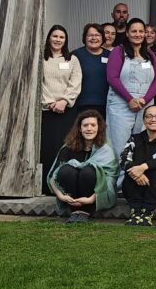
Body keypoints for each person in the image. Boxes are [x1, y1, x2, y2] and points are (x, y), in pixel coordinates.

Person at [106, 18, 156, 185]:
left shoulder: (150, 55)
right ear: (128, 33)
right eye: (134, 31)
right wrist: (130, 99)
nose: (138, 34)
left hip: (144, 106)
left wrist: (144, 100)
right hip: (122, 105)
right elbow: (112, 77)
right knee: (120, 146)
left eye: (141, 31)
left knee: (140, 145)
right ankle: (118, 186)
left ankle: (133, 184)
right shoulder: (118, 51)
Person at [46, 110, 117, 223]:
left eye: (93, 125)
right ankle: (75, 211)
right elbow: (53, 175)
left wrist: (91, 199)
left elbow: (110, 178)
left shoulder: (105, 148)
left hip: (94, 198)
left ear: (99, 128)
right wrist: (61, 196)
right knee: (65, 171)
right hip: (70, 197)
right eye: (85, 125)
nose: (89, 129)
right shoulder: (69, 146)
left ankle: (85, 211)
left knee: (88, 171)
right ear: (80, 128)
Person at [120, 105, 156, 226]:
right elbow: (124, 159)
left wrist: (142, 168)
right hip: (138, 188)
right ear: (144, 120)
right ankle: (136, 213)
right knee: (130, 173)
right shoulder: (135, 138)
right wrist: (137, 174)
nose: (153, 119)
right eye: (149, 116)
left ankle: (147, 213)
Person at [41, 25, 83, 194]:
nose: (58, 40)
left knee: (65, 147)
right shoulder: (40, 58)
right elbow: (38, 82)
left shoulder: (71, 59)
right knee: (47, 148)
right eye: (55, 36)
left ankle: (63, 185)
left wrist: (64, 101)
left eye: (61, 37)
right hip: (46, 111)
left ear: (65, 40)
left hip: (67, 111)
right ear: (49, 38)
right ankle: (45, 186)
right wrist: (51, 102)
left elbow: (76, 81)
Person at [72, 23, 110, 116]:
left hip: (105, 104)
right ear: (85, 38)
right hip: (81, 104)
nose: (94, 38)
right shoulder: (75, 55)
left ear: (102, 38)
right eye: (90, 35)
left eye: (97, 35)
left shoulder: (110, 55)